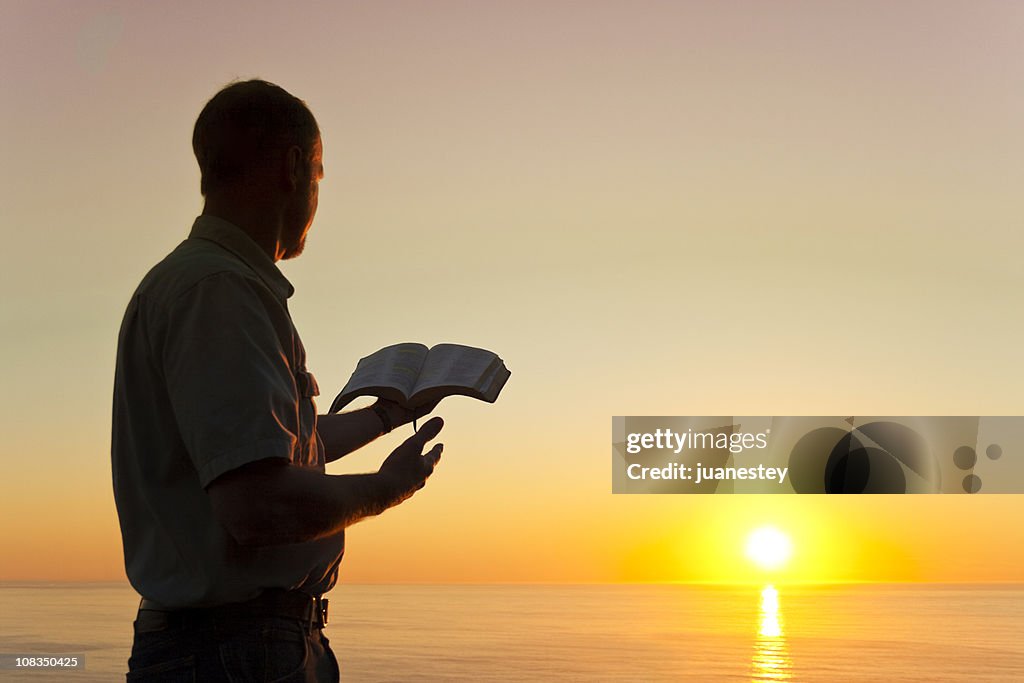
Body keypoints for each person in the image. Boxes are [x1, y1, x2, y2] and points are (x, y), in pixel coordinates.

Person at [111, 79, 443, 681]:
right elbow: (257, 506)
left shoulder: (204, 283)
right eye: (320, 173)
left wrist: (386, 415)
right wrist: (387, 488)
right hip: (234, 654)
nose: (317, 193)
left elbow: (268, 451)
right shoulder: (220, 292)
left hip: (235, 645)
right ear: (293, 166)